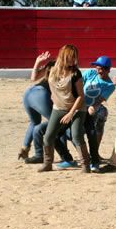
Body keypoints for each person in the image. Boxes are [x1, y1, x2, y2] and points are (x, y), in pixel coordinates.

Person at [38, 44, 90, 173]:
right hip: (59, 108)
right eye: (71, 57)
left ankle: (86, 166)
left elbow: (81, 96)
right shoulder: (51, 67)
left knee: (76, 136)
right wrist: (38, 62)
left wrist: (71, 113)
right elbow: (33, 78)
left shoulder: (75, 73)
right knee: (48, 137)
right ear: (64, 56)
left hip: (77, 108)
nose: (74, 60)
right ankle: (47, 164)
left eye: (75, 57)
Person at [19, 52, 74, 165]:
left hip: (28, 93)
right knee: (57, 123)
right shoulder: (60, 68)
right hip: (41, 94)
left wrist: (37, 62)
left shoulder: (52, 65)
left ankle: (25, 148)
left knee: (34, 122)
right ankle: (65, 156)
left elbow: (33, 78)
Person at [80, 55, 116, 172]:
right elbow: (78, 85)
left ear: (108, 70)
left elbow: (100, 100)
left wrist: (93, 107)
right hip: (80, 104)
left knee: (101, 114)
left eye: (101, 69)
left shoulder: (110, 85)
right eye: (97, 68)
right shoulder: (90, 73)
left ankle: (94, 152)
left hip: (93, 107)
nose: (98, 70)